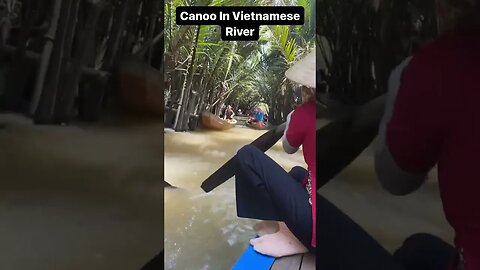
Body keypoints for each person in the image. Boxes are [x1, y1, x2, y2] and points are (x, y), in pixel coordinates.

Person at [316, 1, 480, 269]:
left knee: (300, 187)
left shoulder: (442, 64)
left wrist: (401, 84)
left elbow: (396, 181)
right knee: (418, 247)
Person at [233, 51, 316, 258]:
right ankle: (291, 228)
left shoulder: (307, 113)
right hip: (339, 224)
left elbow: (289, 147)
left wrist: (292, 119)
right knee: (298, 172)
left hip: (317, 232)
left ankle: (291, 236)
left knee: (246, 155)